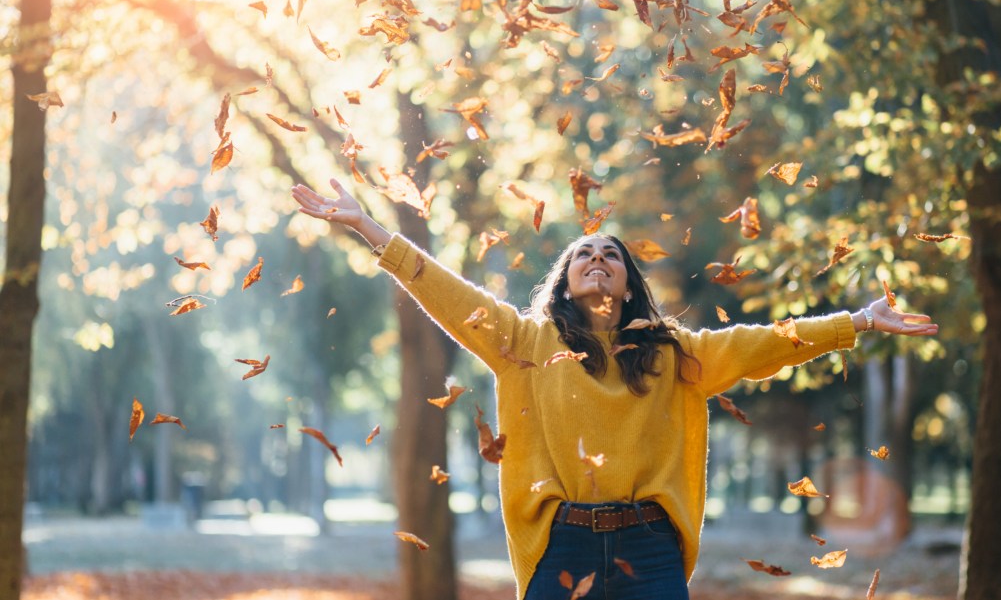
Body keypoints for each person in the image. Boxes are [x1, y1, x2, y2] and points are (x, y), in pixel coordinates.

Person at [292, 178, 938, 600]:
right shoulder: (524, 343)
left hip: (650, 548)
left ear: (628, 282)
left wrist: (852, 321)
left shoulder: (674, 353)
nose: (596, 258)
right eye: (582, 253)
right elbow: (444, 289)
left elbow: (763, 340)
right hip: (561, 544)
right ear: (565, 279)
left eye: (611, 253)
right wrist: (365, 226)